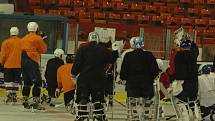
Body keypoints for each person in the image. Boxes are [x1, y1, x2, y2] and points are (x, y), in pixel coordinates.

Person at [71, 31, 119, 121]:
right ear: (97, 39)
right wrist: (115, 50)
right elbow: (112, 59)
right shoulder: (103, 49)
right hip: (98, 78)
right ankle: (99, 114)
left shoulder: (82, 49)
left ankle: (82, 115)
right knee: (98, 98)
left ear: (89, 39)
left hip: (84, 78)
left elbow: (77, 63)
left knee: (83, 96)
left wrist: (74, 73)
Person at [120, 37, 159, 120]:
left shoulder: (128, 55)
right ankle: (146, 115)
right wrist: (150, 78)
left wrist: (124, 78)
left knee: (132, 101)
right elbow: (155, 71)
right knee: (148, 100)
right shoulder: (149, 55)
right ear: (142, 45)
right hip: (146, 85)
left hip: (132, 85)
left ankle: (135, 116)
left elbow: (123, 72)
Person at [21, 22, 47, 110]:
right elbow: (43, 49)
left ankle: (25, 100)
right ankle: (36, 102)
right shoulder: (38, 38)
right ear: (36, 28)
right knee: (38, 81)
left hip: (23, 59)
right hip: (32, 59)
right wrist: (42, 40)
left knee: (27, 82)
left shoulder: (24, 38)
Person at [0, 27, 22, 103]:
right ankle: (14, 96)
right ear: (17, 33)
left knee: (8, 81)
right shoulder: (21, 42)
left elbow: (3, 55)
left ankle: (9, 96)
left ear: (10, 33)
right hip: (18, 65)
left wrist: (2, 63)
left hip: (8, 65)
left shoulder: (5, 42)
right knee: (16, 81)